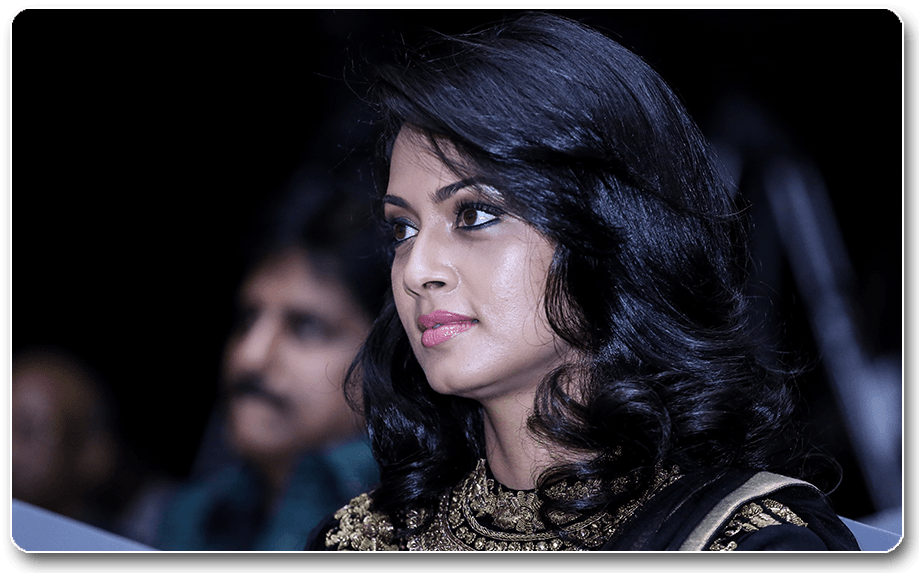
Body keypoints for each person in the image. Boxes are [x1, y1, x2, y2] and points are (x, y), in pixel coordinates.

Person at [305, 12, 860, 551]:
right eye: (403, 229)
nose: (417, 270)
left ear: (608, 226)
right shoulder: (360, 540)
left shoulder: (738, 540)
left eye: (474, 215)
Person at [155, 165, 387, 551]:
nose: (249, 356)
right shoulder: (198, 513)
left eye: (306, 327)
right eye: (247, 320)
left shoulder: (416, 531)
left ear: (393, 359)